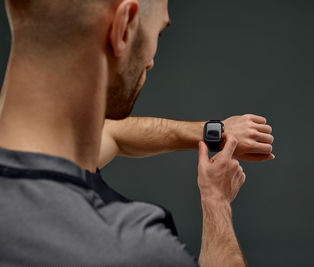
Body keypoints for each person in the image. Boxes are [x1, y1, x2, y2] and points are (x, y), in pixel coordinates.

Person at [0, 0, 275, 266]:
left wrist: (212, 131)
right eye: (157, 32)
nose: (152, 61)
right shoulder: (130, 250)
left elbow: (113, 134)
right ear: (124, 27)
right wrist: (217, 202)